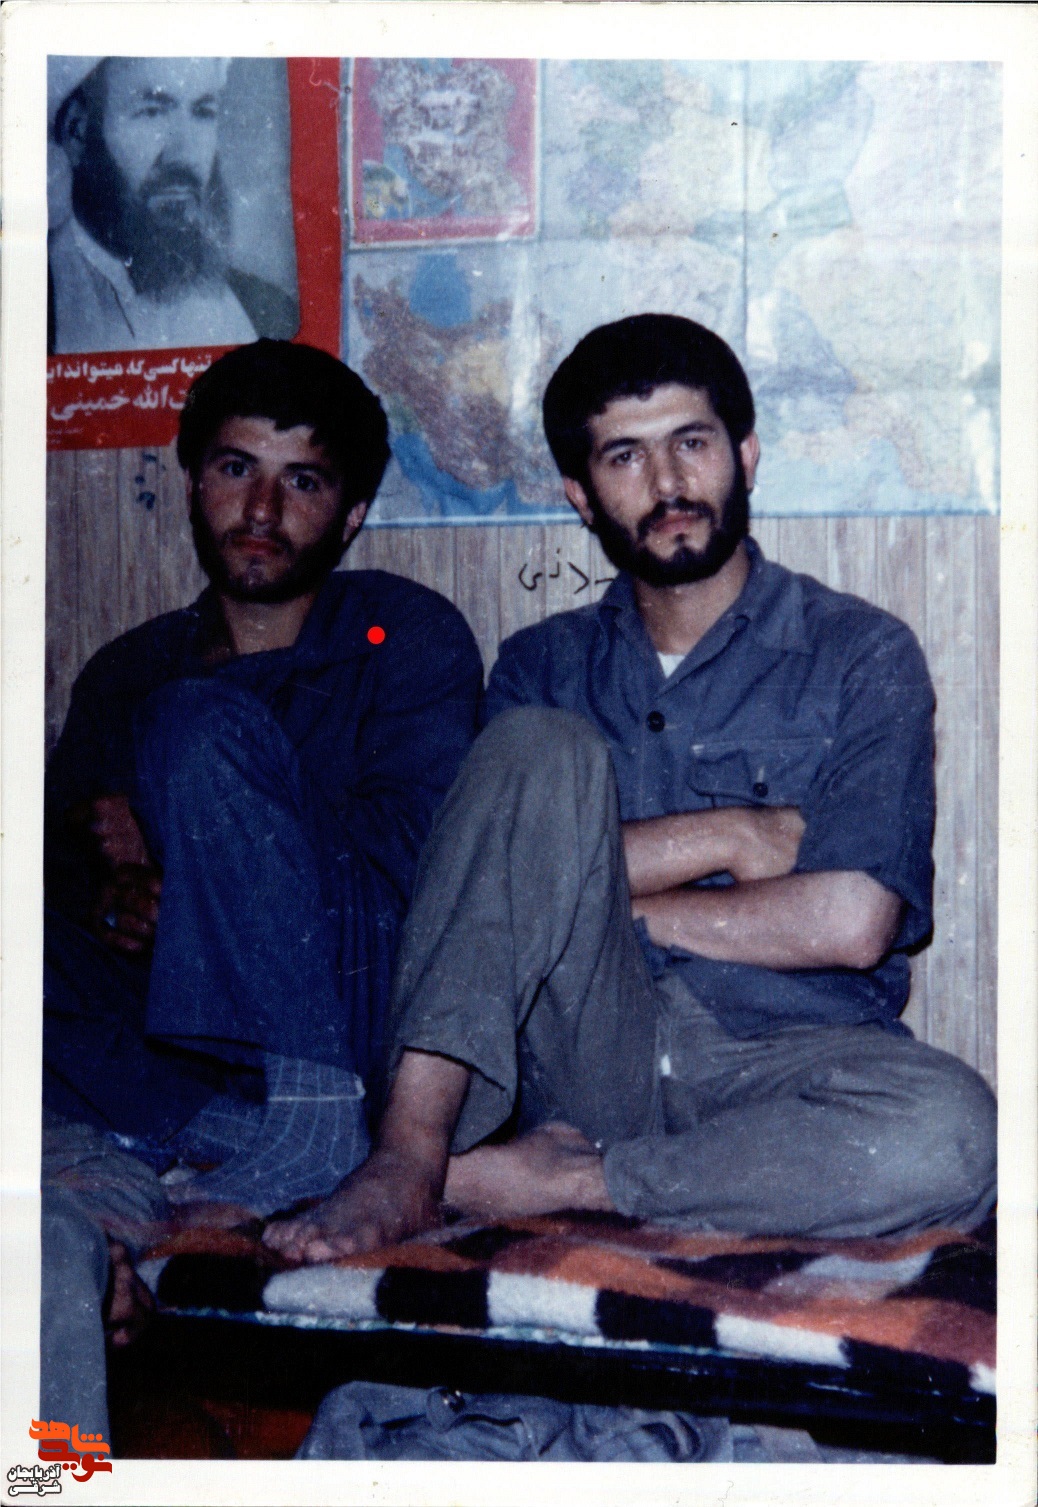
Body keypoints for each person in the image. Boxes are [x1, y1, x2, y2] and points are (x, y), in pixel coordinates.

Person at [267, 313, 997, 1263]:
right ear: (581, 494)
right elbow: (487, 880)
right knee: (536, 745)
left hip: (788, 1058)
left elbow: (851, 922)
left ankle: (577, 1182)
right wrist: (732, 836)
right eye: (625, 456)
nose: (667, 484)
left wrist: (599, 905)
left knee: (958, 1133)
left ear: (745, 455)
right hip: (583, 1054)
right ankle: (409, 1154)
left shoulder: (860, 652)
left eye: (692, 443)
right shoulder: (542, 667)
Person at [44, 338, 484, 1216]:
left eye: (303, 481)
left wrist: (192, 859)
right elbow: (65, 884)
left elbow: (419, 869)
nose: (261, 509)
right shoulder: (127, 670)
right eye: (236, 468)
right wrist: (117, 904)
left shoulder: (402, 634)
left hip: (349, 1011)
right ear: (192, 485)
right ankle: (226, 1134)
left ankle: (314, 1121)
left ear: (351, 514)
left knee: (195, 722)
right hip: (177, 1036)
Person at [47, 57, 297, 353]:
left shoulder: (266, 313)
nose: (184, 155)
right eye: (151, 112)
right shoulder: (26, 302)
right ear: (77, 132)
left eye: (203, 112)